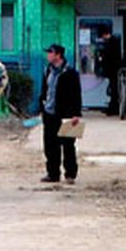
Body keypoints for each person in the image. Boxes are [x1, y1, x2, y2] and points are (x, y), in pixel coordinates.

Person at [39, 44, 82, 184]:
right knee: (50, 145)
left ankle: (70, 174)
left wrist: (76, 113)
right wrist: (43, 105)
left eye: (50, 53)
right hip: (50, 113)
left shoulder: (70, 72)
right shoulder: (48, 70)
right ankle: (53, 173)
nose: (48, 55)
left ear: (58, 55)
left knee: (68, 145)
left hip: (66, 114)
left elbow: (76, 94)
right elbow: (45, 90)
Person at [96, 26, 121, 116]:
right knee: (113, 89)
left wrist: (102, 58)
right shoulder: (114, 41)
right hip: (113, 69)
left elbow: (109, 57)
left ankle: (113, 108)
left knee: (114, 89)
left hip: (113, 70)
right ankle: (113, 107)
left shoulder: (111, 42)